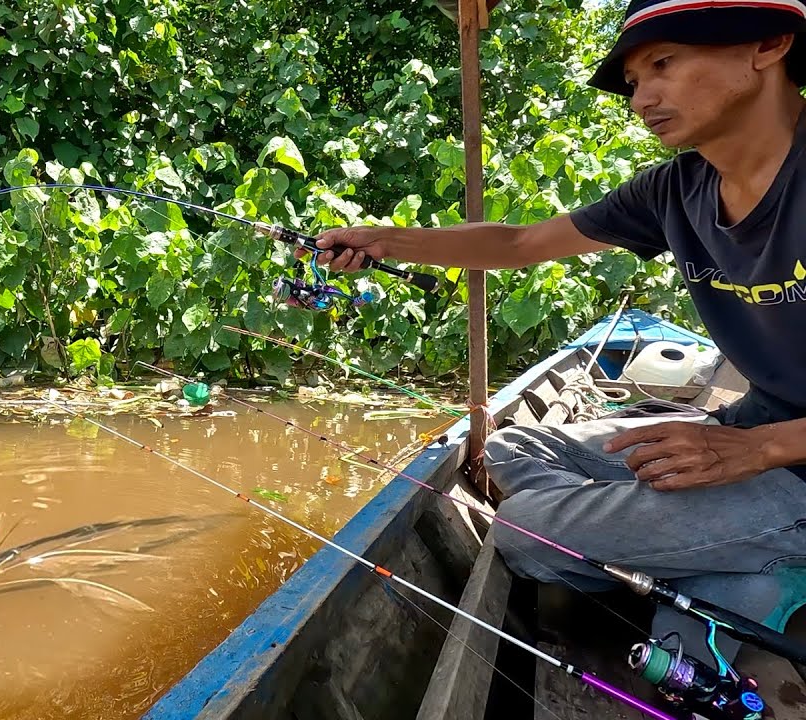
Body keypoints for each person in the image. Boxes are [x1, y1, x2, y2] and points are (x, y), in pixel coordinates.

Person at [300, 0, 806, 662]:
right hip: (748, 427)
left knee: (530, 530)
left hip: (782, 458)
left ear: (767, 44)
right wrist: (384, 239)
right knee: (517, 450)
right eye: (632, 82)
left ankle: (729, 551)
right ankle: (718, 551)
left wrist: (762, 450)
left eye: (663, 63)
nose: (642, 99)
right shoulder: (674, 191)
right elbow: (518, 241)